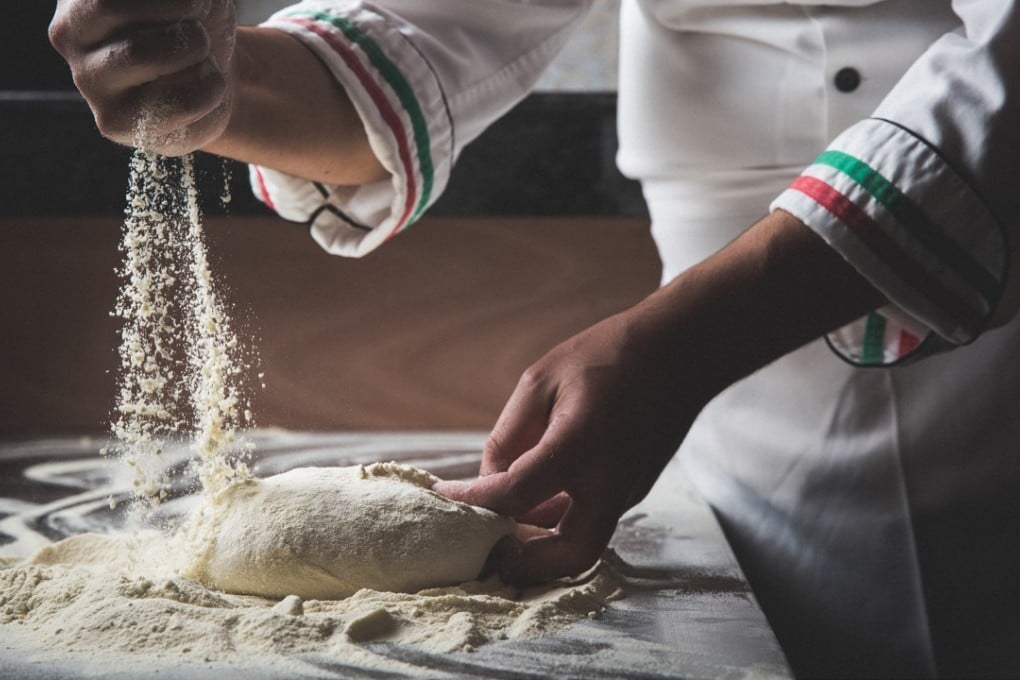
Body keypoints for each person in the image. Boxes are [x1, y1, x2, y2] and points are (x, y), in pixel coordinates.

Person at [49, 0, 1020, 676]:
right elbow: (438, 28)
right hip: (703, 411)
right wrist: (220, 76)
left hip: (970, 365)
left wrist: (681, 345)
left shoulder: (678, 353)